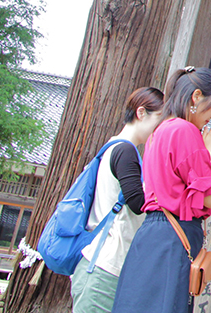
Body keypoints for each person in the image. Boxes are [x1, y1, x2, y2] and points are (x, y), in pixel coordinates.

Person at [111, 67, 211, 313]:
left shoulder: (160, 131)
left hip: (154, 234)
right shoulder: (185, 131)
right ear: (196, 96)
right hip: (173, 237)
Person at [70, 87, 165, 313]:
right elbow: (137, 204)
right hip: (105, 266)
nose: (160, 127)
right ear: (141, 113)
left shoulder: (113, 147)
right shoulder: (125, 151)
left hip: (100, 264)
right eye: (159, 118)